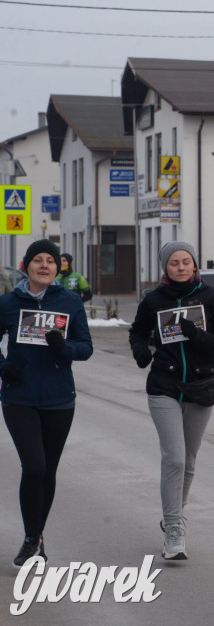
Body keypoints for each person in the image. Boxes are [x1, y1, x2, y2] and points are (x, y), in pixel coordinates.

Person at [128, 241, 214, 561]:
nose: (180, 267)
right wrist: (140, 352)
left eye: (186, 261)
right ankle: (175, 529)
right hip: (164, 385)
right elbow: (137, 332)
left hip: (201, 388)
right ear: (165, 267)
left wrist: (196, 334)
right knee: (174, 458)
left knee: (188, 462)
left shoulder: (209, 296)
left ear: (194, 265)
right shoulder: (154, 300)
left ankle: (173, 513)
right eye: (174, 262)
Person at [0, 239, 93, 567]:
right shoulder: (9, 303)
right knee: (34, 467)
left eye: (50, 261)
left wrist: (63, 348)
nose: (44, 265)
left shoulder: (69, 302)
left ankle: (37, 535)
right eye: (37, 260)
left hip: (58, 399)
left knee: (48, 471)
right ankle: (29, 539)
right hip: (19, 397)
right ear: (26, 266)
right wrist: (3, 366)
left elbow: (85, 347)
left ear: (58, 267)